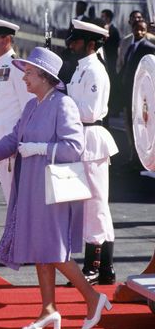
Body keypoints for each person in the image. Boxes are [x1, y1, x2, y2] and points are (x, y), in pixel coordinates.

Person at [0, 47, 111, 329]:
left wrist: (39, 149)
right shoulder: (32, 105)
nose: (24, 78)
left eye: (29, 73)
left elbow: (74, 147)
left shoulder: (63, 104)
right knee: (41, 249)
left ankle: (93, 297)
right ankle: (49, 309)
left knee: (54, 251)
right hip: (32, 189)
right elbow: (14, 138)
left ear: (45, 77)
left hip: (52, 190)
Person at [66, 20, 119, 285]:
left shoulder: (95, 72)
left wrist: (63, 103)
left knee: (95, 205)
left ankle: (94, 265)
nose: (70, 44)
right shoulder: (80, 70)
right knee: (89, 205)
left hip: (92, 138)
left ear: (90, 44)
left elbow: (90, 112)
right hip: (81, 139)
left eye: (75, 40)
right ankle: (106, 268)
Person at [0, 16, 33, 203]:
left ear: (6, 39)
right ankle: (16, 232)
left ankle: (19, 232)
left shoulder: (17, 67)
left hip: (11, 144)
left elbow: (28, 106)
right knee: (10, 196)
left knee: (17, 198)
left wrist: (19, 141)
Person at [118, 19, 155, 169]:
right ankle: (134, 155)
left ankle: (142, 158)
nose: (139, 32)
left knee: (142, 126)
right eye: (137, 29)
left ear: (146, 31)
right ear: (132, 29)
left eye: (142, 30)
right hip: (129, 92)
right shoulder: (130, 45)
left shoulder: (149, 47)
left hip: (142, 95)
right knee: (129, 124)